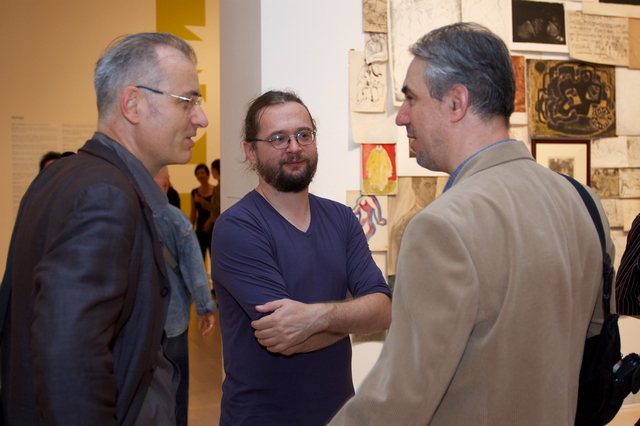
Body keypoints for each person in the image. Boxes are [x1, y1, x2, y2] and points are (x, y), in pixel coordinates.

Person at [328, 22, 613, 425]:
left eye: (411, 98)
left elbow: (397, 402)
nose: (402, 116)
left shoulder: (441, 228)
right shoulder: (583, 203)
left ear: (456, 102)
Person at [0, 32, 208, 425]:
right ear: (133, 104)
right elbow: (68, 360)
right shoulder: (107, 195)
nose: (201, 118)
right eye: (187, 101)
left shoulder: (63, 175)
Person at [210, 90, 392, 426]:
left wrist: (315, 317)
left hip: (338, 416)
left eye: (303, 135)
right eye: (278, 138)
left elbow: (384, 310)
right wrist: (354, 317)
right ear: (251, 151)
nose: (294, 147)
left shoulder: (342, 219)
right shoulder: (238, 226)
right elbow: (284, 337)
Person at [153, 166, 217, 426]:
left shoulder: (121, 213)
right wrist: (205, 308)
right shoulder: (173, 218)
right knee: (176, 381)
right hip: (174, 317)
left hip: (136, 320)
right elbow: (194, 268)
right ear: (166, 182)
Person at [190, 163, 213, 259]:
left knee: (214, 258)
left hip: (213, 228)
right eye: (198, 173)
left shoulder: (215, 190)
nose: (200, 175)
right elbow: (193, 213)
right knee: (199, 258)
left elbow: (217, 209)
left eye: (202, 173)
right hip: (200, 228)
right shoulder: (194, 192)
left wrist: (209, 221)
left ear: (208, 174)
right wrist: (190, 230)